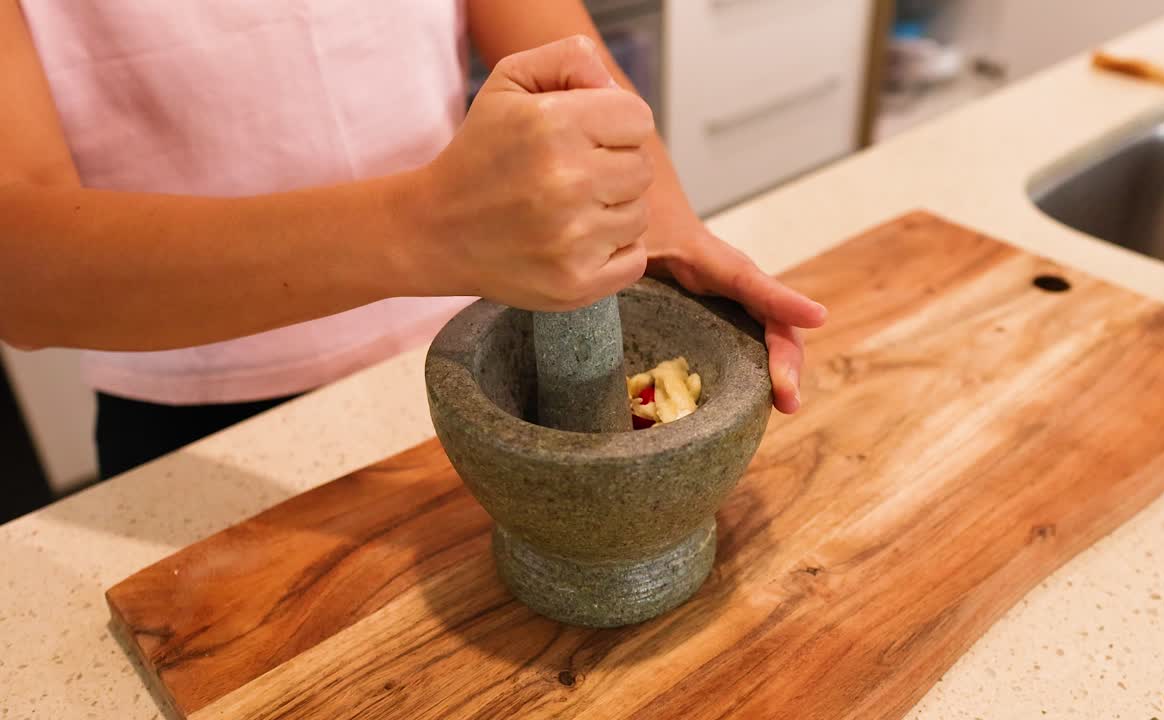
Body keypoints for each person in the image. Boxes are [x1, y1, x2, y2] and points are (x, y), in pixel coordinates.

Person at [0, 0, 826, 479]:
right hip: (203, 422)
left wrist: (662, 227)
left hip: (479, 343)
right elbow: (18, 277)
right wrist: (427, 228)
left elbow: (560, 54)